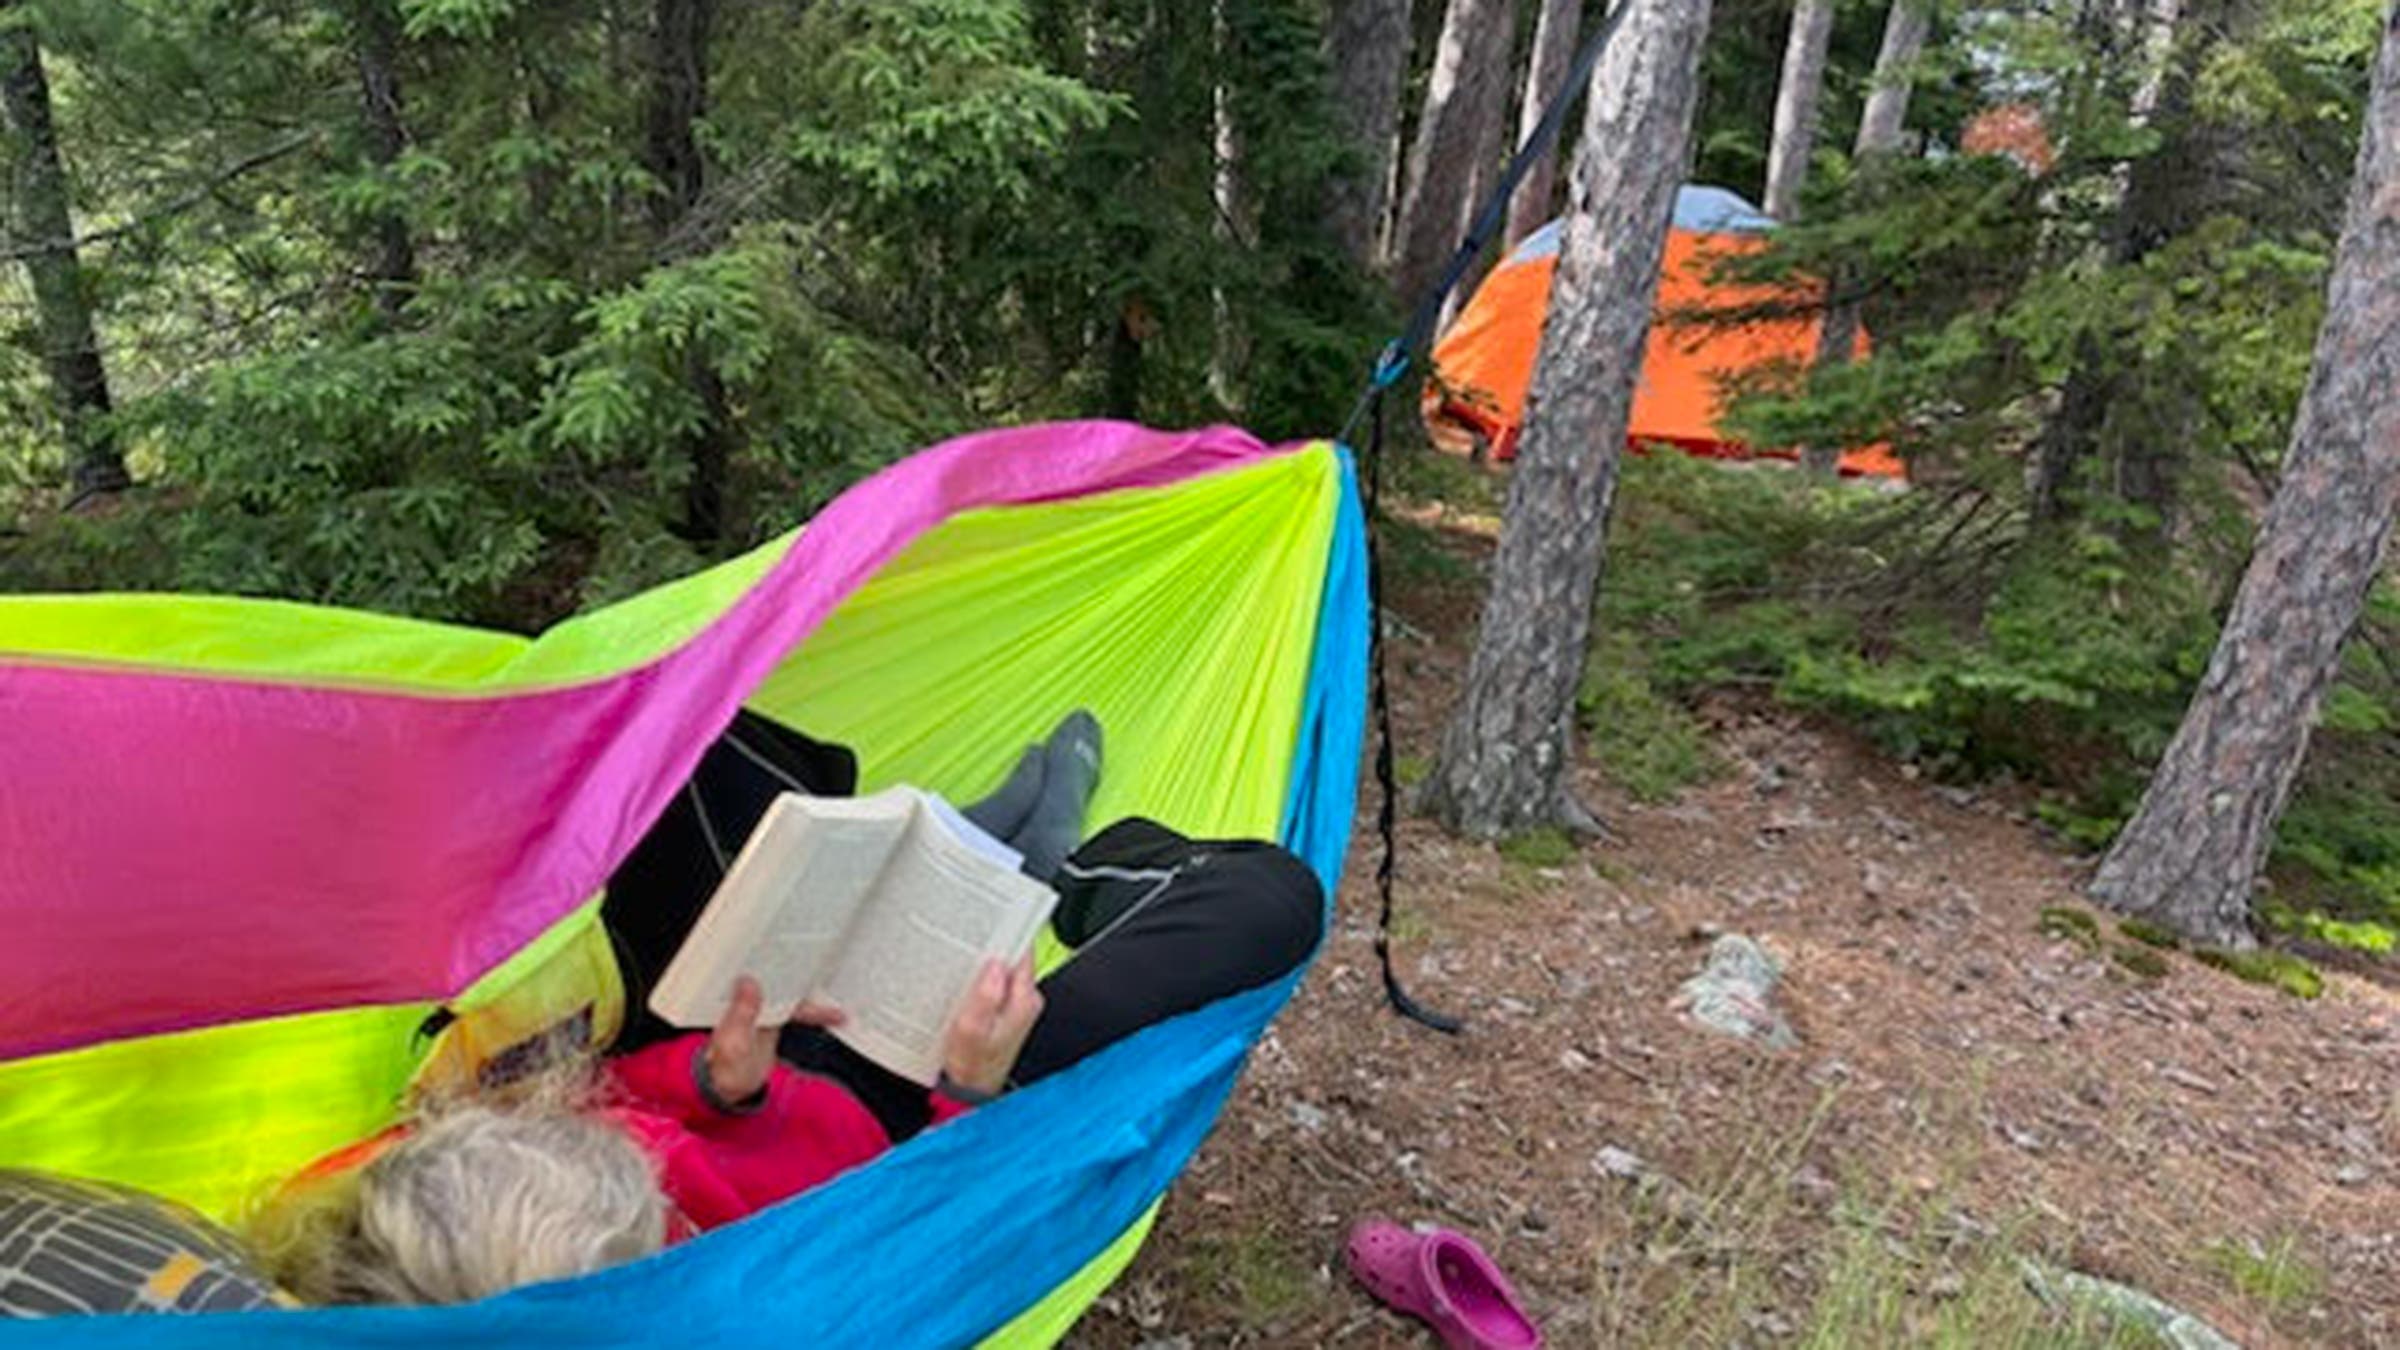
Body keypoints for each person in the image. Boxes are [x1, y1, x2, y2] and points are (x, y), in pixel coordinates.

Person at [258, 710, 1323, 1305]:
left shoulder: (432, 1212)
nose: (634, 1165)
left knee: (669, 734)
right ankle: (1061, 869)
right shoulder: (719, 1306)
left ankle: (954, 843)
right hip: (927, 1124)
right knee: (1267, 904)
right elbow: (924, 1241)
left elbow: (639, 1106)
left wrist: (727, 1087)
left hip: (776, 1057)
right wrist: (967, 1092)